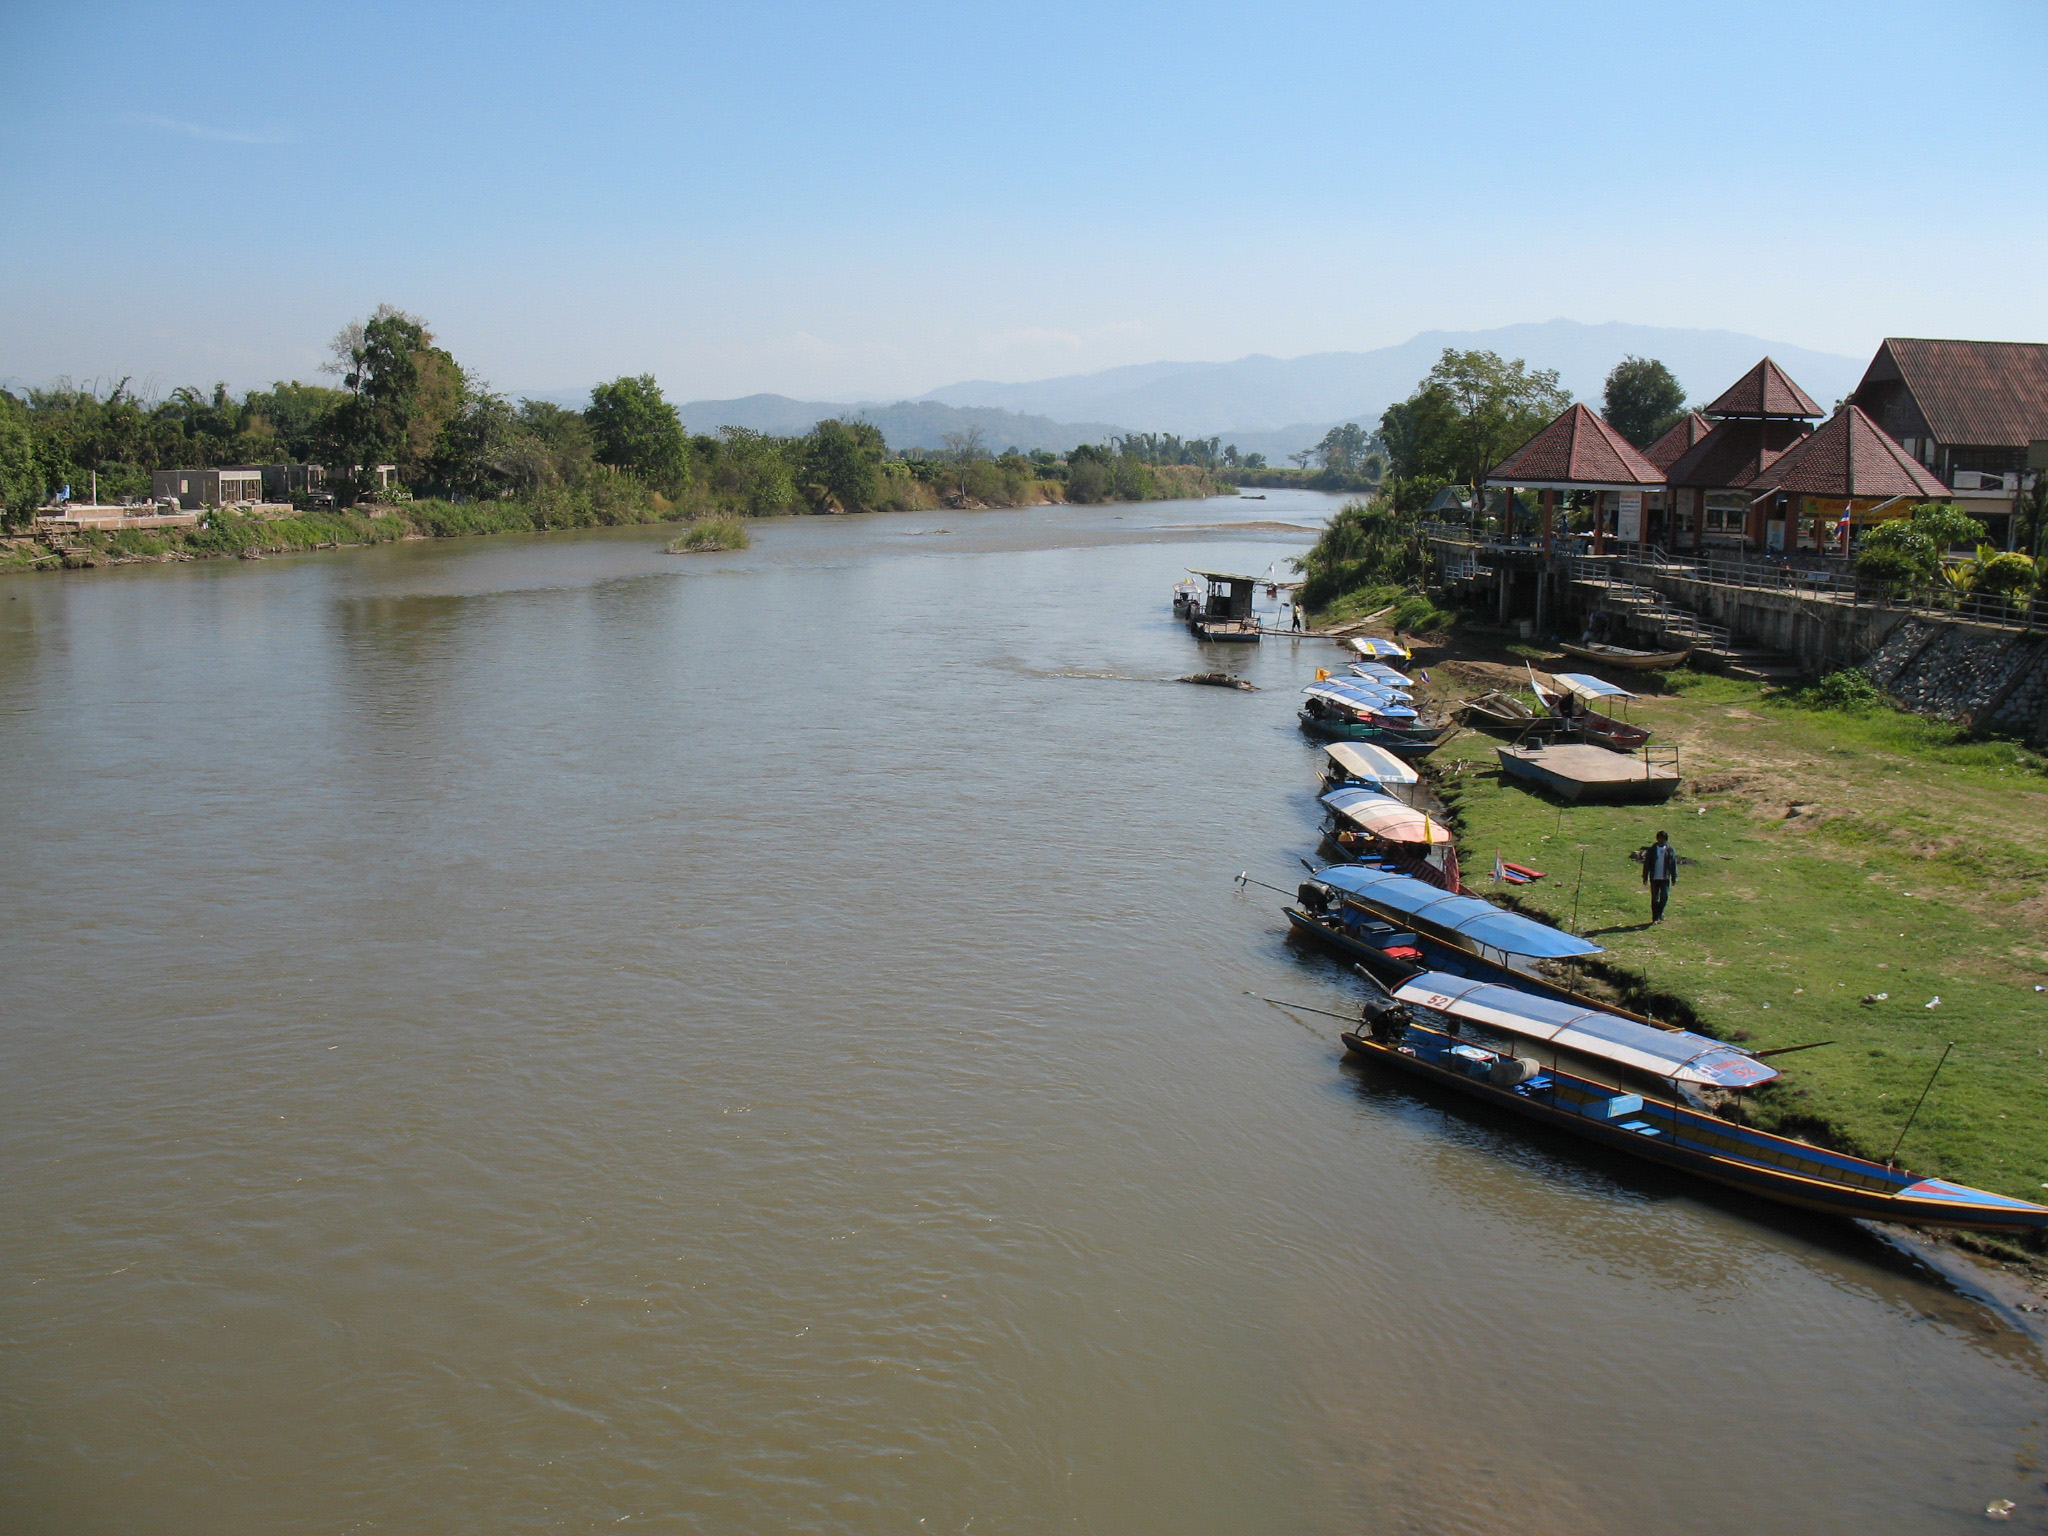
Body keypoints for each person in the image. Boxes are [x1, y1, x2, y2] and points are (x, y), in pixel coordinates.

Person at [1642, 829, 1678, 921]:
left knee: (1664, 896)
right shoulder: (1652, 850)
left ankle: (1660, 912)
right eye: (1660, 839)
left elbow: (1673, 864)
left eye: (1663, 839)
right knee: (1655, 898)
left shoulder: (1670, 850)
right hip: (1654, 878)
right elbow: (1647, 864)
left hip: (1665, 877)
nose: (1661, 841)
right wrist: (1645, 875)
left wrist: (1674, 876)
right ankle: (1655, 917)